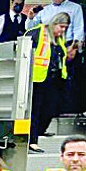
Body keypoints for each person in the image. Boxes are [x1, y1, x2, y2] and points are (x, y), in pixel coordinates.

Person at [29, 0, 85, 114]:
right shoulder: (46, 10)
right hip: (48, 49)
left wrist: (75, 48)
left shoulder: (75, 8)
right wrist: (31, 17)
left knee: (66, 82)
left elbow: (78, 28)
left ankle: (65, 109)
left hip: (67, 46)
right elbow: (32, 27)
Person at [25, 12, 71, 154]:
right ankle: (32, 140)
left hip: (53, 80)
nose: (62, 30)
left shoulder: (59, 40)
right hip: (36, 80)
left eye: (65, 28)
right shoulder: (36, 33)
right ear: (54, 23)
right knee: (35, 110)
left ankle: (39, 132)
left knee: (50, 109)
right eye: (61, 27)